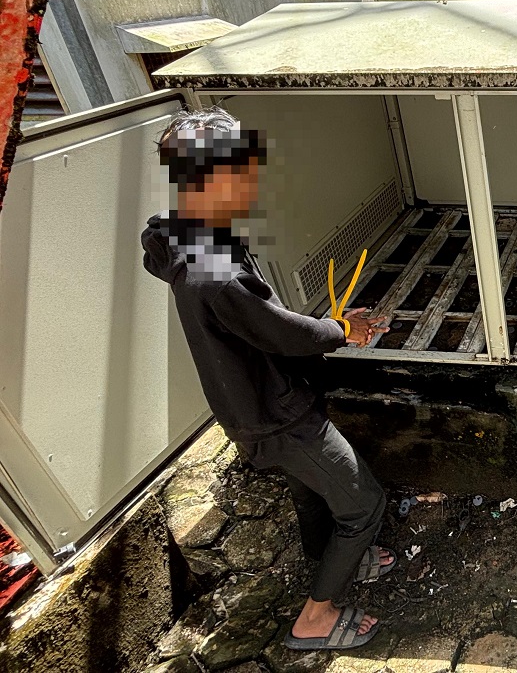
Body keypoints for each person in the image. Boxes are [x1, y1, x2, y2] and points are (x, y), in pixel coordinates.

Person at [141, 107, 394, 652]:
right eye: (243, 167)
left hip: (253, 405)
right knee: (364, 503)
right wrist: (341, 329)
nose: (251, 178)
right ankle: (315, 620)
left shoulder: (184, 237)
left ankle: (342, 560)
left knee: (311, 495)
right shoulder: (215, 270)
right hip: (279, 415)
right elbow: (283, 333)